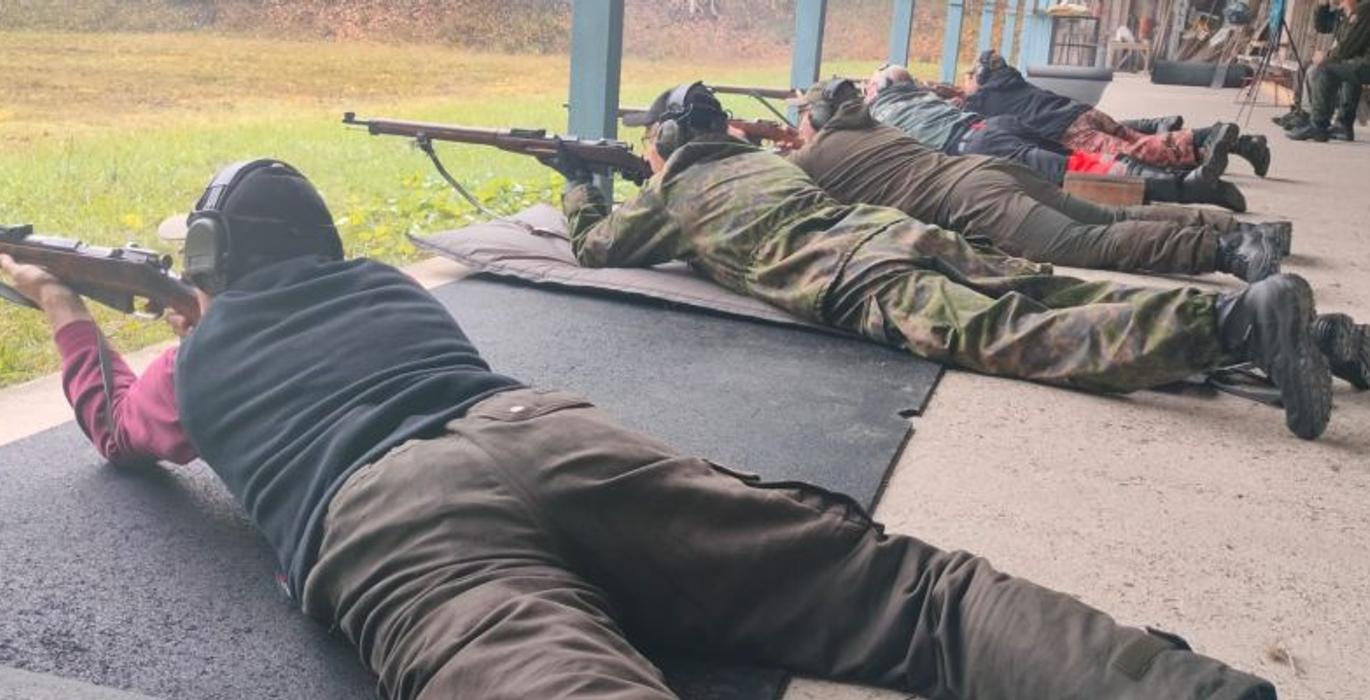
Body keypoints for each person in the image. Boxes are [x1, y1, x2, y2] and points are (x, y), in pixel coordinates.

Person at [0, 158, 1294, 700]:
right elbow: (294, 317)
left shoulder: (198, 360)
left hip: (393, 529)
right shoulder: (385, 288)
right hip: (548, 435)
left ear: (206, 270)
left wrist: (65, 309)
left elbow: (119, 426)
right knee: (909, 595)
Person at [559, 83, 1361, 440]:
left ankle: (1235, 322)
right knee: (1059, 289)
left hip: (861, 279)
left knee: (1025, 337)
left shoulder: (673, 194)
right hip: (906, 234)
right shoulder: (766, 163)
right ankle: (1321, 338)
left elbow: (596, 248)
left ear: (665, 143)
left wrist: (576, 187)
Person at [787, 77, 1285, 281]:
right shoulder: (874, 123)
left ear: (816, 118)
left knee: (1089, 243)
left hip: (973, 200)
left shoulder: (811, 159)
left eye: (802, 117)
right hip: (987, 171)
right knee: (1111, 217)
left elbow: (790, 189)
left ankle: (1227, 253)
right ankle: (1242, 231)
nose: (799, 126)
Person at [864, 64, 1253, 213]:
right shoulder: (928, 97)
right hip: (1001, 128)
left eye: (868, 87)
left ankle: (1187, 187)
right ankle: (1205, 154)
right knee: (1118, 150)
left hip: (980, 144)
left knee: (1087, 170)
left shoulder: (882, 112)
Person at [963, 51, 1272, 177]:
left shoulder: (982, 99)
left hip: (1068, 131)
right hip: (1083, 113)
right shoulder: (1011, 79)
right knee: (1145, 142)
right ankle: (1242, 144)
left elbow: (964, 110)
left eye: (969, 77)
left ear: (979, 78)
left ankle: (1216, 136)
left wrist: (964, 94)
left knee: (1143, 152)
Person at [1287, 0, 1370, 141]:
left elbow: (1348, 45)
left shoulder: (1365, 9)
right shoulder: (1344, 13)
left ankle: (1318, 126)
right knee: (1339, 66)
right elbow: (1322, 26)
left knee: (1326, 69)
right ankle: (1338, 125)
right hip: (1360, 60)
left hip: (1365, 62)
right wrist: (1322, 6)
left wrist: (1327, 56)